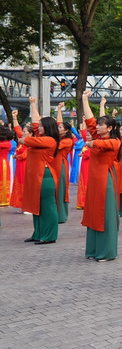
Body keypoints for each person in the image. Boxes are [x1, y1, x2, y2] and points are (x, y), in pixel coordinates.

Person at [80, 91, 122, 261]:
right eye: (97, 125)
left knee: (105, 216)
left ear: (110, 128)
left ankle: (107, 252)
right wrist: (85, 99)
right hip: (96, 182)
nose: (96, 127)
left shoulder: (114, 142)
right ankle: (93, 249)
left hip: (106, 181)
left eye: (101, 125)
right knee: (93, 214)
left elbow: (100, 143)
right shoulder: (99, 136)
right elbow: (90, 121)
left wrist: (91, 143)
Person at [20, 97, 61, 244]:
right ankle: (38, 233)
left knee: (47, 207)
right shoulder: (42, 137)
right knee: (36, 206)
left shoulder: (50, 140)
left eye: (42, 127)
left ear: (48, 128)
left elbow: (27, 140)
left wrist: (23, 138)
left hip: (45, 177)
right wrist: (32, 104)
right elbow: (36, 123)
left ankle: (49, 236)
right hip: (38, 176)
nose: (38, 128)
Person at [53, 103, 74, 223]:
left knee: (60, 190)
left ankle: (61, 215)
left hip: (60, 166)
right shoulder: (60, 138)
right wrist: (59, 109)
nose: (58, 128)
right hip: (54, 165)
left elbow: (54, 146)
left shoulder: (67, 141)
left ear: (66, 131)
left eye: (61, 128)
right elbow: (57, 124)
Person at [0, 124, 15, 207]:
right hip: (3, 162)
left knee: (3, 180)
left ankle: (3, 200)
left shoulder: (7, 143)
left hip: (3, 163)